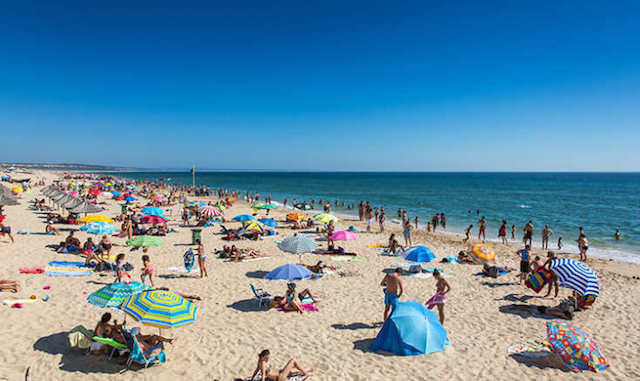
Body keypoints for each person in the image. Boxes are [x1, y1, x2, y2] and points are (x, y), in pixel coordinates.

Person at [249, 349, 317, 381]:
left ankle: (310, 369)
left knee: (292, 370)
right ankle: (306, 373)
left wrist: (252, 379)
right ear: (264, 356)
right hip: (280, 377)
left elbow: (256, 371)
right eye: (267, 357)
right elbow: (263, 376)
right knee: (293, 361)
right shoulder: (263, 364)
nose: (268, 359)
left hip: (279, 373)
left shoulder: (260, 361)